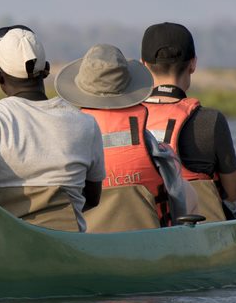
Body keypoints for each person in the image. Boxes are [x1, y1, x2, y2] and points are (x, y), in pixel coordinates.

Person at [0, 25, 106, 233]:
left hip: (0, 242)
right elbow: (92, 198)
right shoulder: (86, 123)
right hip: (65, 245)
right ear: (47, 69)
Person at [55, 43, 195, 233]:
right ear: (128, 88)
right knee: (190, 193)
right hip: (149, 239)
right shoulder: (150, 144)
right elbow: (177, 198)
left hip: (87, 242)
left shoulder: (67, 141)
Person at [141, 22, 236, 221]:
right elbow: (233, 193)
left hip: (142, 228)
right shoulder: (210, 121)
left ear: (144, 65)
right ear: (193, 64)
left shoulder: (128, 121)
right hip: (201, 234)